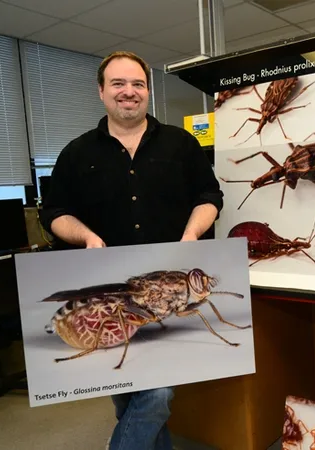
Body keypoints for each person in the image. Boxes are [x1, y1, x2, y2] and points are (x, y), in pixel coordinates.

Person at [40, 51, 223, 450]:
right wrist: (86, 237)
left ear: (148, 91)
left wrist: (192, 233)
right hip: (111, 301)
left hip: (168, 286)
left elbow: (211, 196)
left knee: (156, 395)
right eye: (119, 84)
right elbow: (53, 212)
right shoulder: (76, 153)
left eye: (138, 84)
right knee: (129, 394)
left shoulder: (181, 144)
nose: (129, 92)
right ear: (101, 91)